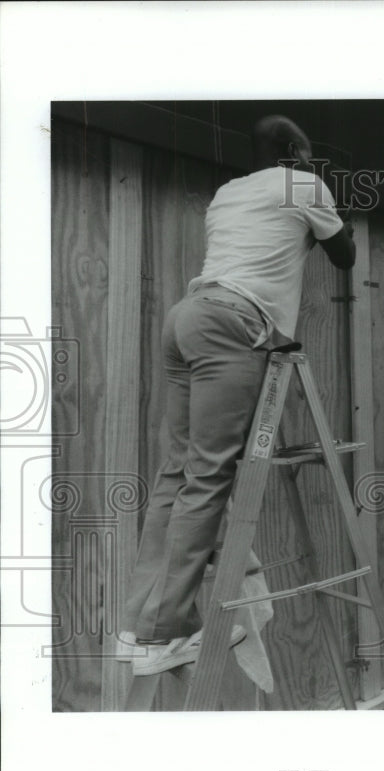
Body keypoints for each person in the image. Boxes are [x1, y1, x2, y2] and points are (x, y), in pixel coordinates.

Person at [124, 115, 356, 676]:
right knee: (207, 478)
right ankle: (163, 632)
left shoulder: (228, 192)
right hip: (232, 324)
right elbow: (344, 255)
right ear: (298, 150)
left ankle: (139, 626)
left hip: (187, 319)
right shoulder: (305, 183)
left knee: (176, 474)